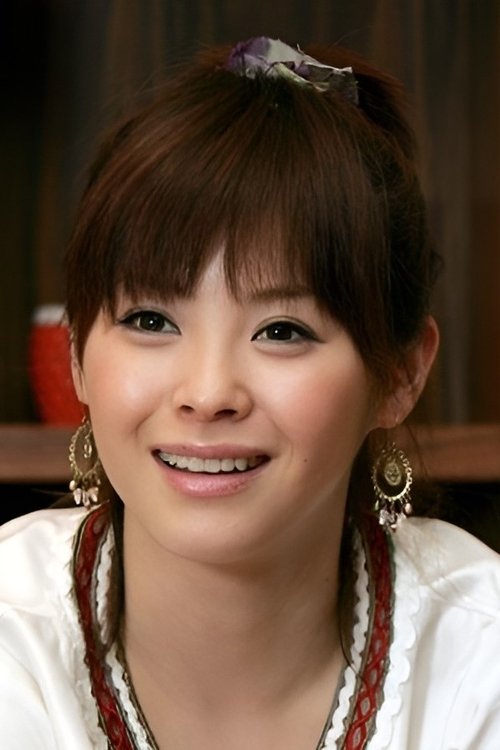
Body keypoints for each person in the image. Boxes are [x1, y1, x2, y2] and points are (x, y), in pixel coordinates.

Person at [1, 37, 499, 750]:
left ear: (399, 374)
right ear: (77, 351)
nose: (208, 394)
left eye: (282, 331)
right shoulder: (13, 640)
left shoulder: (480, 659)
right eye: (151, 320)